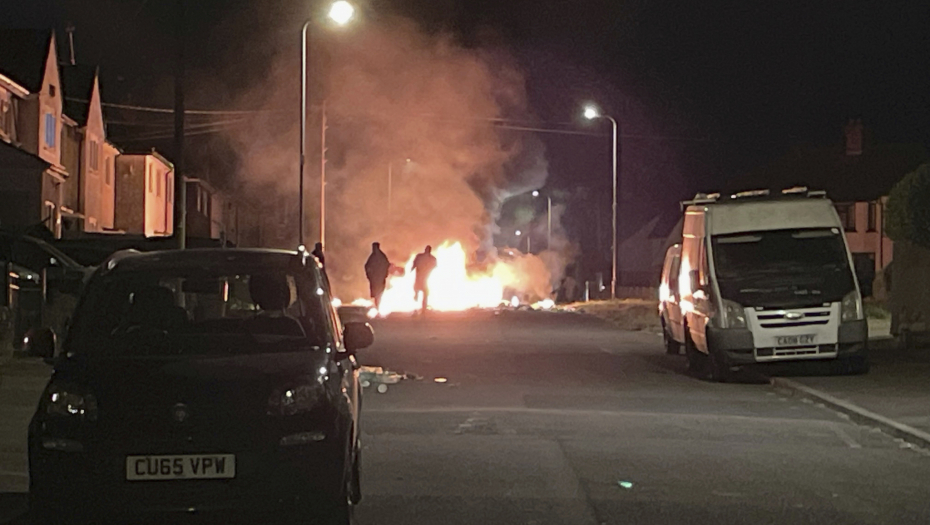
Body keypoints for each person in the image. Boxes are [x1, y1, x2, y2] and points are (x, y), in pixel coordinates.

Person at [364, 242, 391, 310]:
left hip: (379, 277)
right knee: (376, 292)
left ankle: (378, 305)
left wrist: (384, 273)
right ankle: (377, 305)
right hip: (375, 278)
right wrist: (369, 273)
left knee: (379, 292)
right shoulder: (374, 256)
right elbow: (367, 266)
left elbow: (386, 265)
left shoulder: (380, 256)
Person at [412, 245, 438, 313]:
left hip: (424, 277)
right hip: (421, 277)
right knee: (420, 291)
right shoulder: (423, 257)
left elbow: (435, 266)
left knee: (423, 292)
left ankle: (423, 307)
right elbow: (414, 264)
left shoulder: (422, 257)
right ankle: (418, 306)